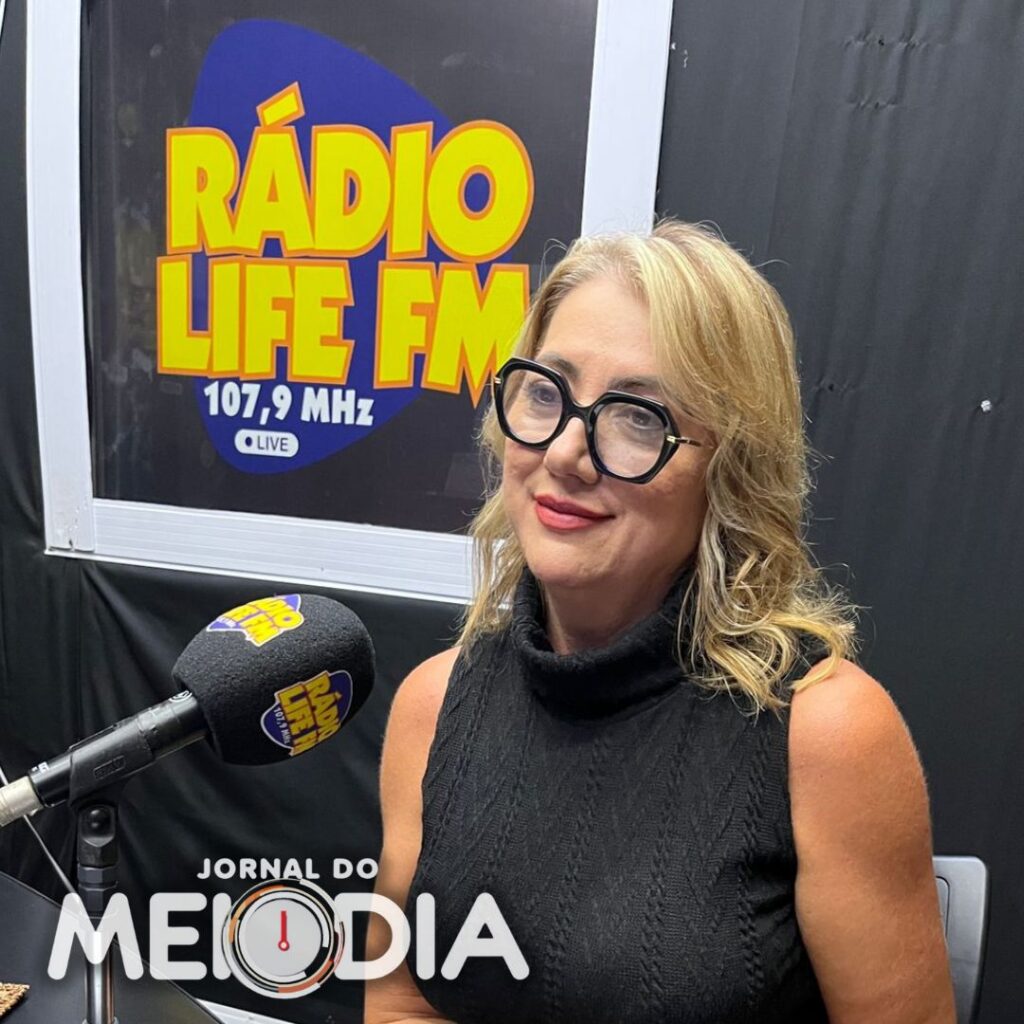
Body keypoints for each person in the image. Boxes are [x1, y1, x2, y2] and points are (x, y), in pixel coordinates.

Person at [364, 219, 955, 1023]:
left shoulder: (825, 734)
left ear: (732, 467)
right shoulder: (435, 707)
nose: (566, 453)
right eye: (547, 392)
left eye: (639, 417)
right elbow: (401, 1002)